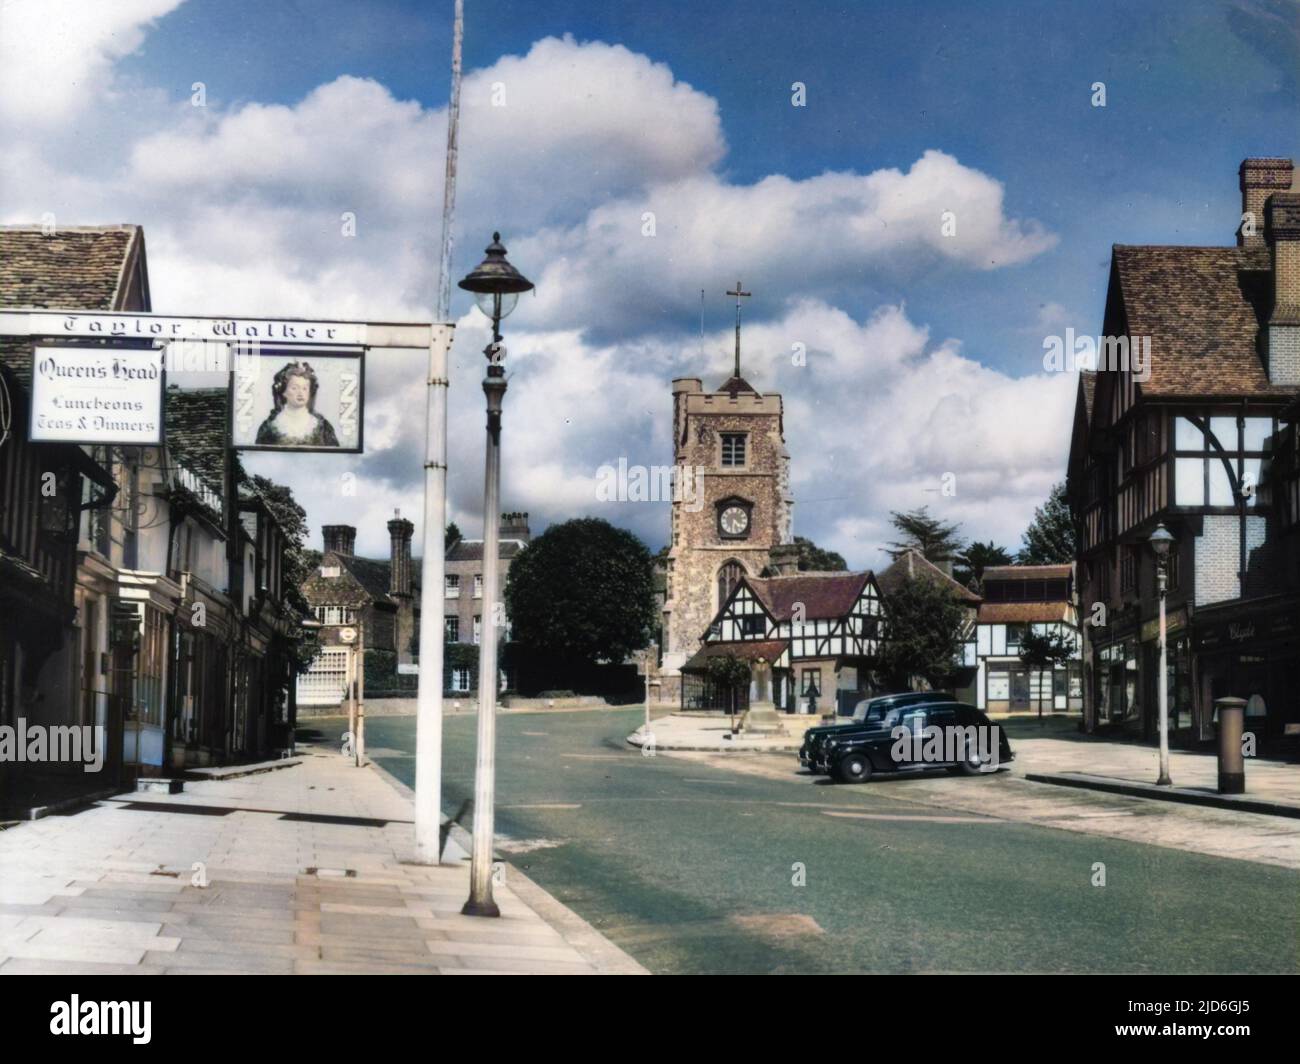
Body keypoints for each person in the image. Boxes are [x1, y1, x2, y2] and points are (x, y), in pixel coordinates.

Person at [254, 362, 340, 447]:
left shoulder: (323, 427)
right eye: (294, 388)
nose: (300, 393)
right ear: (284, 392)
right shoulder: (269, 427)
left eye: (304, 388)